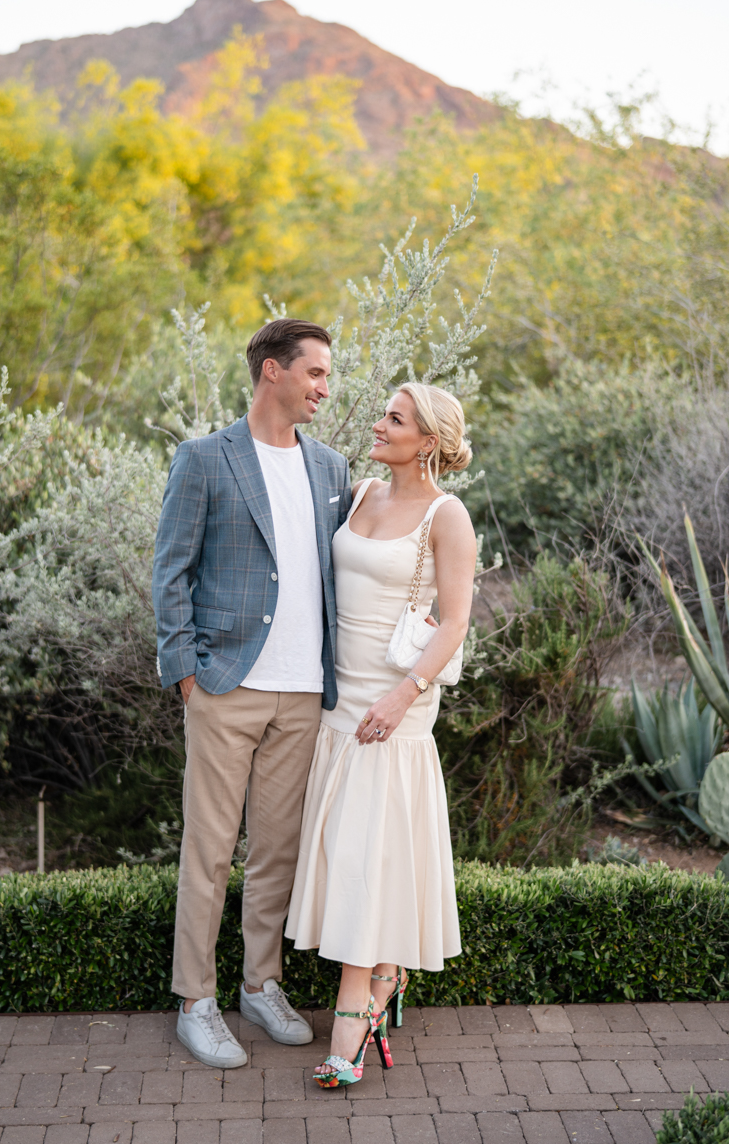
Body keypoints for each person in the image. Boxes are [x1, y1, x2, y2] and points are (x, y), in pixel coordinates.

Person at [152, 318, 352, 1069]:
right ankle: (195, 1002)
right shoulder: (205, 459)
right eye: (316, 373)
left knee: (277, 852)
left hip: (304, 693)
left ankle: (259, 984)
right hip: (225, 687)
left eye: (327, 376)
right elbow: (171, 569)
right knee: (208, 850)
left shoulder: (330, 468)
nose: (325, 388)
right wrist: (186, 673)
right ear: (273, 371)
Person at [285, 382, 478, 1087]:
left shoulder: (447, 516)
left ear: (426, 440)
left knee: (369, 852)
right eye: (383, 415)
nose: (378, 424)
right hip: (339, 702)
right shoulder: (361, 492)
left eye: (394, 419)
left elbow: (454, 621)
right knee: (350, 847)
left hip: (394, 708)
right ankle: (386, 974)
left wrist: (404, 696)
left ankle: (353, 1017)